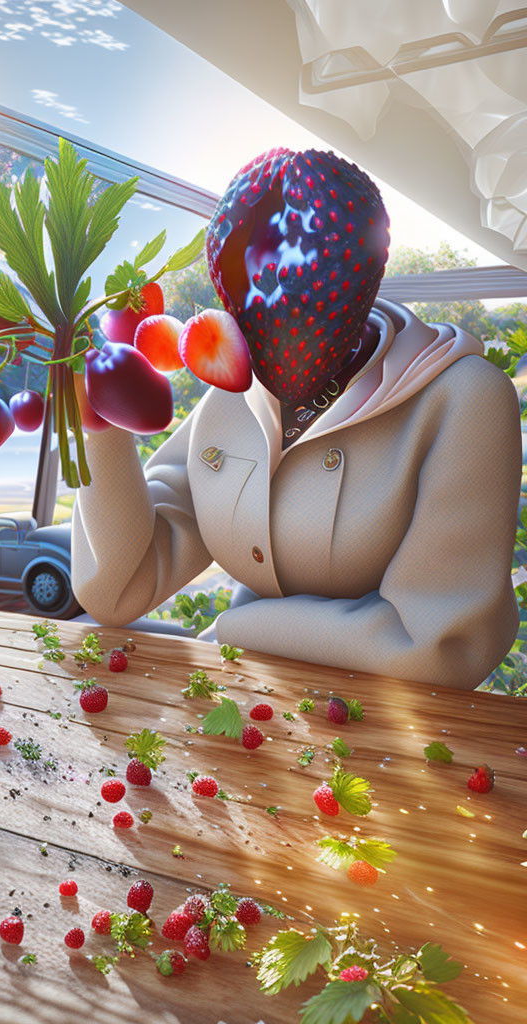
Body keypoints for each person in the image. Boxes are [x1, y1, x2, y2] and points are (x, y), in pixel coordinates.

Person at [71, 148, 522, 690]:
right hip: (247, 706)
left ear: (364, 282)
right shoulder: (231, 396)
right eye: (252, 316)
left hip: (396, 732)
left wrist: (240, 627)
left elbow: (440, 645)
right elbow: (121, 588)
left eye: (309, 309)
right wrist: (100, 431)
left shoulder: (464, 399)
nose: (276, 356)